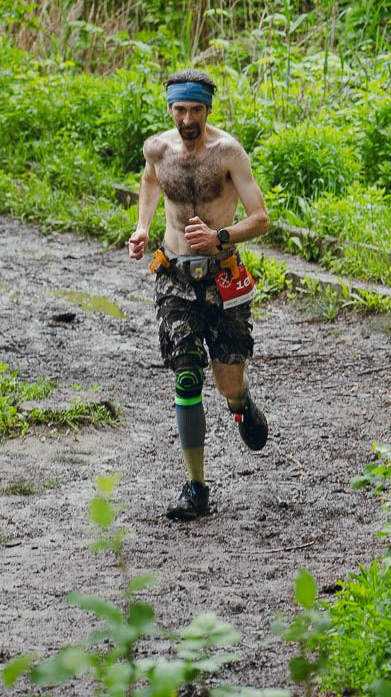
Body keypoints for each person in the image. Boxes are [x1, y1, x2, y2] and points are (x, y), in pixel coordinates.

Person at [128, 68, 271, 520]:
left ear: (208, 109)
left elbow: (261, 218)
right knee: (186, 375)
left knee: (227, 380)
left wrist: (221, 237)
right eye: (179, 109)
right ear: (170, 108)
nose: (187, 118)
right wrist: (142, 227)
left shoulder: (227, 153)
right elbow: (152, 180)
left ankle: (240, 402)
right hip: (173, 274)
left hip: (221, 274)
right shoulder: (158, 148)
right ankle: (196, 487)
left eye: (195, 109)